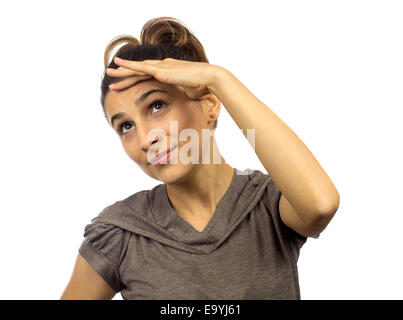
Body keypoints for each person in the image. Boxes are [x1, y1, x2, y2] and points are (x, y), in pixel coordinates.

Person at [61, 16, 339, 300]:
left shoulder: (268, 203)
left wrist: (218, 78)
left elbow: (320, 205)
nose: (145, 139)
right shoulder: (121, 233)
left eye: (157, 105)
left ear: (210, 105)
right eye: (126, 126)